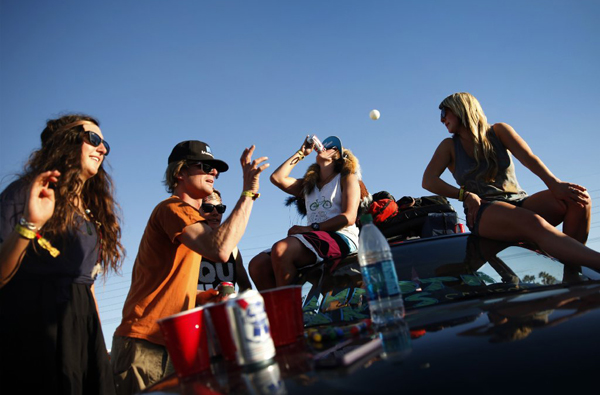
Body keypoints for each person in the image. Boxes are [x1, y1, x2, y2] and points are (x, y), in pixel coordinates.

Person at [111, 140, 268, 394]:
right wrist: (249, 192)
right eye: (205, 167)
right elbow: (220, 249)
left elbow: (166, 287)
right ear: (180, 172)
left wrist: (204, 297)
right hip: (145, 344)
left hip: (171, 344)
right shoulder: (173, 208)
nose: (213, 173)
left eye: (215, 169)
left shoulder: (190, 222)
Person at [0, 115, 123, 395]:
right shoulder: (28, 194)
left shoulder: (92, 212)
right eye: (93, 139)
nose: (102, 149)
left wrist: (97, 347)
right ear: (65, 143)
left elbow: (87, 287)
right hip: (36, 333)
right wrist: (29, 225)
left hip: (82, 331)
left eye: (104, 143)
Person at [422, 92, 600, 270]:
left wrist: (554, 184)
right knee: (533, 222)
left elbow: (528, 157)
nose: (442, 119)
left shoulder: (499, 131)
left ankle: (573, 273)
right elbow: (429, 181)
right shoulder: (449, 146)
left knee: (579, 199)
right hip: (485, 209)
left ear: (461, 108)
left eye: (444, 113)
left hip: (519, 201)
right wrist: (465, 195)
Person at [249, 136, 363, 290]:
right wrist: (302, 153)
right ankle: (276, 311)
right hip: (314, 237)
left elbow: (349, 217)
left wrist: (312, 228)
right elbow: (277, 178)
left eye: (332, 147)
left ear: (337, 155)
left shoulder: (346, 178)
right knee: (258, 264)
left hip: (341, 236)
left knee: (282, 249)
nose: (324, 147)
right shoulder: (309, 185)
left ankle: (290, 310)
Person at [197, 189, 252, 292]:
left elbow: (246, 287)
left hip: (223, 306)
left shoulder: (232, 248)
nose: (215, 213)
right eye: (208, 208)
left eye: (220, 208)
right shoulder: (186, 244)